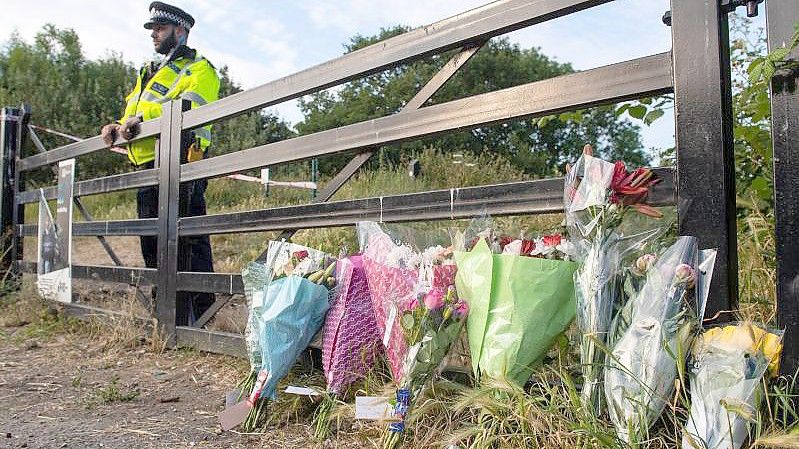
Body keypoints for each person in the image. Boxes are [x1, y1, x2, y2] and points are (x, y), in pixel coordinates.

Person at [100, 2, 219, 325]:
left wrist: (142, 118)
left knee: (189, 238)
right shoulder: (149, 72)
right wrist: (117, 126)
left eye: (160, 29)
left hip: (182, 160)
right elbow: (133, 115)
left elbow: (190, 106)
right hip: (148, 163)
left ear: (180, 31)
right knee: (151, 239)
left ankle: (201, 314)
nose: (154, 34)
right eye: (153, 29)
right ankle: (165, 312)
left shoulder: (199, 67)